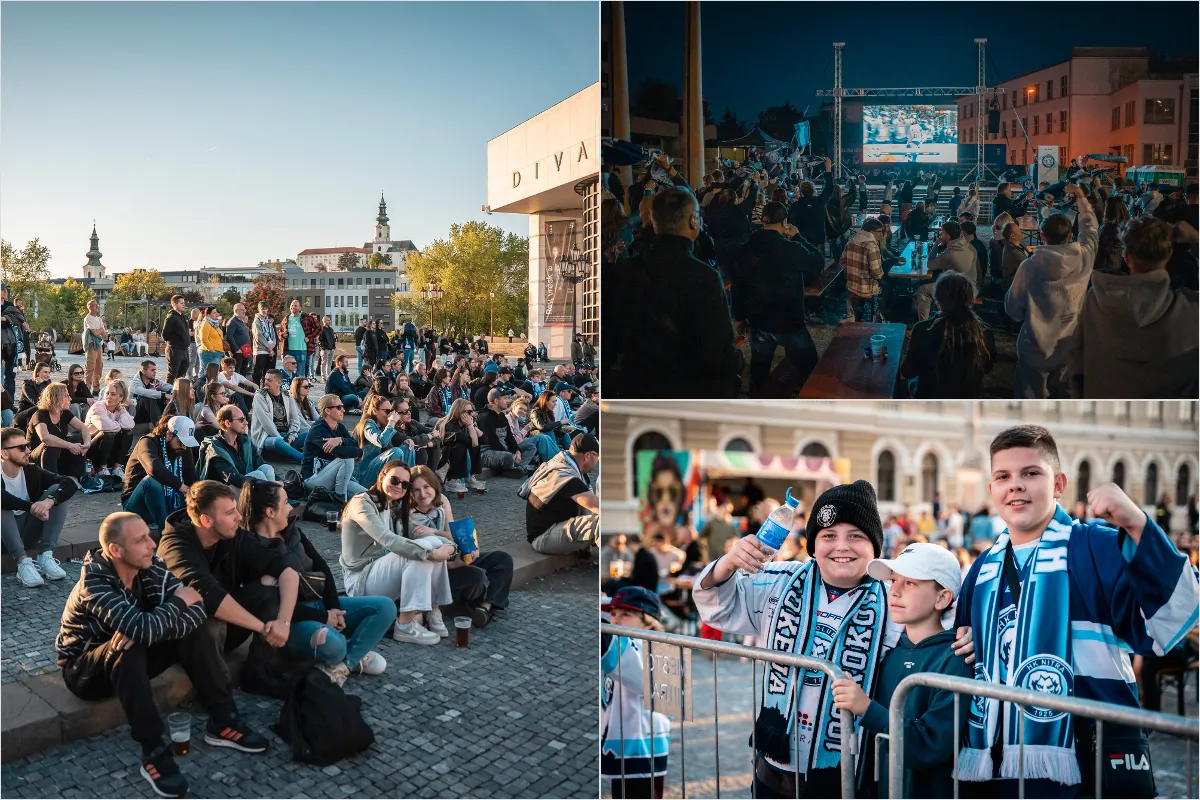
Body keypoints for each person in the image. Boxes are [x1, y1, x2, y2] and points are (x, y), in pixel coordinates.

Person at [954, 425, 1197, 797]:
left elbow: (1176, 617)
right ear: (992, 490)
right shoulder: (981, 569)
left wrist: (1136, 523)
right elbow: (963, 653)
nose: (1015, 485)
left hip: (1086, 761)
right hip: (999, 767)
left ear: (1059, 484)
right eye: (1003, 476)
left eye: (1031, 473)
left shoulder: (1096, 547)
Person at [694, 481, 974, 798]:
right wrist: (728, 564)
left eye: (856, 536)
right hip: (774, 762)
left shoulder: (891, 600)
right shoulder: (780, 580)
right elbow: (718, 607)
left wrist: (969, 631)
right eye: (828, 535)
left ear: (875, 547)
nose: (841, 546)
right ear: (813, 544)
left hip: (846, 771)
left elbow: (939, 624)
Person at [54, 511, 251, 799]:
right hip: (85, 669)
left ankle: (222, 718)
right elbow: (178, 605)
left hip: (133, 654)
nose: (151, 543)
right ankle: (153, 751)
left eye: (149, 535)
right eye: (141, 540)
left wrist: (154, 623)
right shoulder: (93, 583)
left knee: (192, 630)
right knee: (129, 645)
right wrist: (175, 605)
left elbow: (197, 612)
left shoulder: (150, 565)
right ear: (115, 550)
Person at [831, 542, 971, 798]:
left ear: (942, 597)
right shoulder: (889, 652)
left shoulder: (955, 660)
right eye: (894, 580)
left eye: (911, 583)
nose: (894, 591)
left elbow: (930, 744)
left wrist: (866, 708)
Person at [156, 481, 307, 717]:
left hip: (226, 630)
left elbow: (286, 569)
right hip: (183, 639)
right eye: (229, 512)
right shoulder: (176, 547)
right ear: (206, 521)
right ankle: (220, 708)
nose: (239, 517)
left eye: (236, 508)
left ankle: (258, 674)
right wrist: (265, 628)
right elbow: (209, 598)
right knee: (206, 619)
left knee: (270, 587)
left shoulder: (232, 534)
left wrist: (283, 622)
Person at [237, 479, 392, 685]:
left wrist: (335, 609)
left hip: (320, 603)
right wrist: (323, 616)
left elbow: (323, 568)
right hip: (293, 622)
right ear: (270, 512)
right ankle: (352, 652)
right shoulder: (254, 549)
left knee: (385, 607)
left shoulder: (292, 532)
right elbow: (271, 605)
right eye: (285, 502)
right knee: (335, 646)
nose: (291, 507)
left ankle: (343, 665)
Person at [605, 187, 738, 399]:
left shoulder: (623, 271)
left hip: (634, 387)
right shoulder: (705, 277)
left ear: (653, 221)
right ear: (694, 221)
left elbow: (609, 339)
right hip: (686, 390)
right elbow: (718, 352)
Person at [1069, 214, 1198, 398]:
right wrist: (1197, 239)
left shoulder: (1095, 300)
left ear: (1126, 256)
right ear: (1169, 253)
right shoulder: (1191, 309)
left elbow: (1076, 360)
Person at [339, 460, 455, 646]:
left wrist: (450, 546)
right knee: (419, 551)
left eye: (405, 484)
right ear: (382, 476)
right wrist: (432, 554)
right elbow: (388, 540)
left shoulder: (393, 507)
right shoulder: (361, 503)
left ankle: (434, 609)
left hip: (381, 574)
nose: (399, 486)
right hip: (360, 581)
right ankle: (405, 625)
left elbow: (419, 537)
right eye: (394, 480)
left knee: (428, 542)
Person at [1006, 184, 1098, 399]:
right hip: (1070, 349)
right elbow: (1090, 229)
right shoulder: (1084, 259)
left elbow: (1013, 310)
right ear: (1070, 236)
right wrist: (1082, 198)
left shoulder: (1029, 267)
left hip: (1035, 351)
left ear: (1042, 235)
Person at [732, 201, 825, 392]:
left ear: (763, 222)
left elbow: (737, 286)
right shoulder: (790, 248)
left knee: (759, 368)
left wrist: (739, 317)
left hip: (757, 321)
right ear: (784, 222)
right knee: (810, 366)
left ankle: (756, 403)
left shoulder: (744, 249)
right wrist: (798, 237)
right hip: (789, 320)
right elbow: (817, 262)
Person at [408, 466, 513, 628]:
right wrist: (454, 565)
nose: (422, 494)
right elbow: (416, 560)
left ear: (434, 486)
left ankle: (485, 608)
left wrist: (467, 548)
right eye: (416, 490)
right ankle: (481, 601)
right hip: (432, 568)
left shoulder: (442, 501)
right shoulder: (407, 513)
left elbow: (451, 537)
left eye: (426, 487)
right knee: (476, 577)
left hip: (451, 555)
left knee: (502, 559)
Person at [600, 586, 670, 799]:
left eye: (626, 615)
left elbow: (615, 651)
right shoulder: (630, 640)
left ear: (648, 622)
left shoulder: (651, 650)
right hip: (623, 744)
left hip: (642, 748)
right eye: (613, 614)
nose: (616, 620)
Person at [901, 271, 996, 398]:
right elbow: (987, 368)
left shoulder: (923, 329)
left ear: (938, 301)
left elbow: (908, 371)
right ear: (970, 299)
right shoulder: (984, 333)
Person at [2, 426, 73, 587]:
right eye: (21, 448)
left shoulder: (30, 470)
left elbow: (69, 483)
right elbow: (3, 498)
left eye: (27, 445)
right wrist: (31, 506)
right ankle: (22, 563)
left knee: (56, 492)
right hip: (3, 540)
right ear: (4, 453)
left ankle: (46, 555)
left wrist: (48, 502)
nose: (28, 450)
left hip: (27, 532)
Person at [525, 433, 599, 555]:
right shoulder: (566, 476)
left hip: (548, 529)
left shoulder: (559, 464)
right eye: (597, 457)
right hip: (543, 537)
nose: (597, 462)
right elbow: (597, 507)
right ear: (587, 456)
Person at [122, 416, 198, 534]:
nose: (184, 447)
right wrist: (182, 487)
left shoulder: (183, 448)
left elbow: (192, 477)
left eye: (186, 443)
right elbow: (154, 468)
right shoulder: (147, 442)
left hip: (169, 503)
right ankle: (166, 532)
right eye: (181, 442)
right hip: (138, 506)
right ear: (169, 434)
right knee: (151, 482)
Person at [301, 394, 366, 501]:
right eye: (339, 407)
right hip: (313, 479)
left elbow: (354, 443)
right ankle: (340, 502)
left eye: (343, 407)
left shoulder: (339, 427)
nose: (343, 410)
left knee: (368, 496)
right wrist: (359, 453)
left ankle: (340, 498)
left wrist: (341, 439)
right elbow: (341, 453)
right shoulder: (318, 429)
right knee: (347, 459)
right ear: (327, 411)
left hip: (335, 477)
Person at [196, 405, 275, 487]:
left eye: (245, 419)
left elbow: (259, 461)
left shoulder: (244, 441)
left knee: (267, 468)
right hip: (223, 492)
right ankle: (271, 497)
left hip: (242, 484)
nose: (246, 423)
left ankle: (275, 496)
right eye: (241, 420)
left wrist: (280, 482)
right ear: (228, 423)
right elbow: (233, 478)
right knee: (258, 475)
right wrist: (266, 484)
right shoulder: (215, 448)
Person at [915, 220, 979, 321]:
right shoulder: (969, 246)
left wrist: (935, 245)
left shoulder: (950, 253)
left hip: (958, 289)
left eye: (943, 232)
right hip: (971, 285)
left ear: (948, 237)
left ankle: (924, 322)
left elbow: (930, 265)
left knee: (923, 290)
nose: (941, 234)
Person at [28, 382, 91, 483]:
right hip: (37, 457)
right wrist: (70, 446)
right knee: (50, 445)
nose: (70, 399)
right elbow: (45, 437)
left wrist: (87, 444)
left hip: (57, 454)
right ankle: (51, 481)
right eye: (67, 396)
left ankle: (75, 476)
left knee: (78, 438)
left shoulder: (64, 413)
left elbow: (83, 428)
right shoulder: (40, 414)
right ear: (56, 398)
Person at [353, 392, 415, 486]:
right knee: (397, 452)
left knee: (408, 448)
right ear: (375, 411)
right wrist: (392, 422)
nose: (389, 415)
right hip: (362, 475)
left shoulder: (382, 426)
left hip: (374, 469)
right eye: (387, 411)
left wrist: (406, 441)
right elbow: (381, 442)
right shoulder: (367, 424)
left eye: (391, 411)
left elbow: (388, 448)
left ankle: (407, 484)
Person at [250, 369, 307, 463]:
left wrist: (291, 438)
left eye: (269, 380)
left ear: (279, 382)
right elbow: (267, 423)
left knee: (310, 434)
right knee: (278, 442)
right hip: (268, 438)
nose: (265, 382)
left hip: (287, 437)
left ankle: (286, 452)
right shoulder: (260, 396)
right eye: (265, 379)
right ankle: (305, 460)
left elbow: (295, 419)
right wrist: (282, 441)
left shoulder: (287, 395)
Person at [85, 379, 135, 479]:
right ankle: (102, 469)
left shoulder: (120, 409)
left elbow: (130, 424)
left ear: (121, 397)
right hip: (91, 448)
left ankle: (117, 468)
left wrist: (121, 411)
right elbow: (104, 426)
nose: (109, 397)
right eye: (107, 393)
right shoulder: (98, 407)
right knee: (108, 433)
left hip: (109, 450)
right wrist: (119, 425)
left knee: (128, 433)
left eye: (113, 394)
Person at [436, 398, 487, 496]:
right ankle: (452, 480)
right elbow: (472, 443)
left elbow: (484, 440)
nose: (471, 414)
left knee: (474, 445)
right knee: (461, 446)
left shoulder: (464, 424)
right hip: (443, 458)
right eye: (468, 412)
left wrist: (473, 426)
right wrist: (471, 426)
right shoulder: (449, 425)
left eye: (472, 411)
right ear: (459, 412)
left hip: (452, 457)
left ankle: (470, 478)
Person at [842, 217, 886, 323]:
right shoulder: (872, 246)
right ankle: (878, 314)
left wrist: (853, 272)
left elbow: (842, 262)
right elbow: (876, 272)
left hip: (851, 285)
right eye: (879, 232)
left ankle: (857, 313)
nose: (881, 235)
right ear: (871, 232)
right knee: (889, 287)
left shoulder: (851, 242)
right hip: (866, 288)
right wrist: (882, 276)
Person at [160, 296, 192, 385]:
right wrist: (174, 342)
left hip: (185, 350)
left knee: (182, 375)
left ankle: (180, 394)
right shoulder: (171, 317)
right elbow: (165, 334)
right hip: (175, 349)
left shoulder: (184, 317)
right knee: (172, 374)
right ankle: (168, 394)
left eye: (184, 303)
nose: (183, 305)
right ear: (174, 304)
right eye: (181, 303)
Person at [82, 299, 108, 393]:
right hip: (91, 345)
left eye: (97, 305)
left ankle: (96, 388)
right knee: (90, 368)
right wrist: (101, 330)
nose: (97, 307)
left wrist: (100, 331)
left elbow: (105, 335)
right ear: (90, 307)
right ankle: (87, 389)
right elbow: (95, 332)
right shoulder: (88, 318)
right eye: (95, 305)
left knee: (99, 367)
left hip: (99, 345)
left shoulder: (99, 319)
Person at [279, 300, 308, 378]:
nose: (293, 307)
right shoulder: (286, 319)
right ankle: (288, 388)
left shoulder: (305, 318)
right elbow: (280, 333)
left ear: (299, 308)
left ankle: (299, 389)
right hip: (288, 350)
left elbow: (318, 327)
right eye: (292, 305)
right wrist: (283, 335)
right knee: (287, 373)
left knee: (300, 374)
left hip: (301, 349)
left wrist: (310, 337)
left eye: (296, 306)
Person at [251, 301, 277, 386]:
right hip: (260, 350)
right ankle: (256, 392)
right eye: (262, 309)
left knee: (268, 374)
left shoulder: (268, 321)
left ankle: (267, 391)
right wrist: (268, 347)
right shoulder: (257, 321)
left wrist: (273, 345)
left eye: (266, 309)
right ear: (259, 309)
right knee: (258, 373)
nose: (264, 311)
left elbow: (273, 334)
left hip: (269, 350)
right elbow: (259, 335)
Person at [224, 303, 252, 376]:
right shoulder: (232, 322)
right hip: (238, 352)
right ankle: (236, 386)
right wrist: (236, 349)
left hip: (245, 351)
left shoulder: (240, 321)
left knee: (244, 371)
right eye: (242, 310)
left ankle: (242, 387)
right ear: (237, 311)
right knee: (237, 372)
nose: (244, 312)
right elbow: (229, 336)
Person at [197, 306, 226, 374]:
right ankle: (201, 384)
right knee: (207, 373)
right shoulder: (206, 323)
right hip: (209, 353)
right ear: (208, 315)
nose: (217, 314)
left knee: (214, 373)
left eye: (217, 312)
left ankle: (210, 384)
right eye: (214, 313)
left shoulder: (214, 324)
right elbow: (204, 338)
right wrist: (212, 350)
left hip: (218, 352)